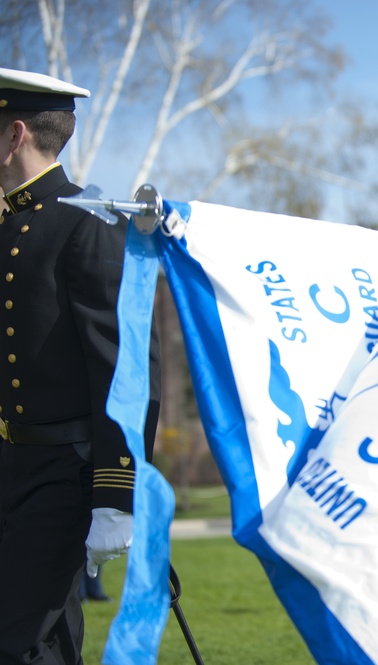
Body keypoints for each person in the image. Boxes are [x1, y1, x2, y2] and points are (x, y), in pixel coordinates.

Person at [0, 68, 161, 664]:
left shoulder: (87, 225)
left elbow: (125, 367)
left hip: (64, 476)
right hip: (12, 463)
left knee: (16, 643)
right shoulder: (7, 224)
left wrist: (115, 492)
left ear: (15, 135)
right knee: (41, 642)